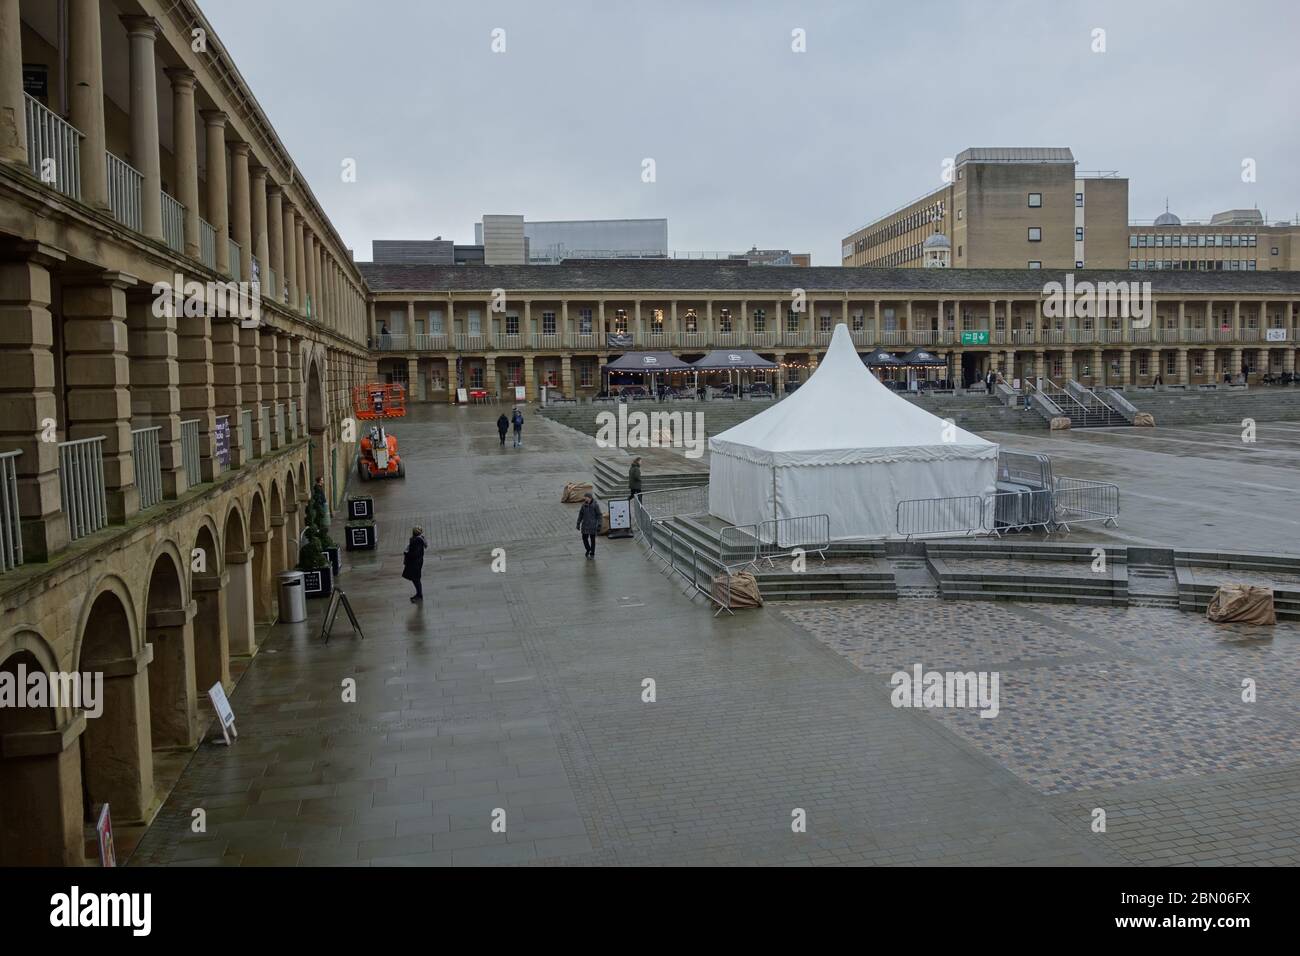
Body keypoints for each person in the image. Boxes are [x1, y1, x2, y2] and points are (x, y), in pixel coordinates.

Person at [402, 526, 427, 602]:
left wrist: (406, 553)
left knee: (416, 579)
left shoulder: (417, 541)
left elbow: (415, 553)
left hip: (415, 563)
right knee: (415, 579)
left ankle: (419, 595)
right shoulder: (417, 539)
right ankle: (418, 594)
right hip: (416, 562)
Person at [577, 493, 602, 559]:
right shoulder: (583, 505)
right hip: (585, 525)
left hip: (593, 526)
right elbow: (580, 515)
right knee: (584, 538)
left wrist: (599, 524)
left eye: (586, 497)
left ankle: (592, 553)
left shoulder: (595, 505)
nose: (585, 498)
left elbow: (599, 515)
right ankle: (588, 549)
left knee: (592, 540)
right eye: (584, 497)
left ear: (589, 498)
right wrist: (578, 523)